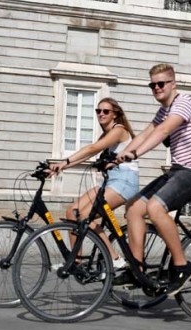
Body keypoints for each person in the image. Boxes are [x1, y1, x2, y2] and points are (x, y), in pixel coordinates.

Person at [116, 63, 191, 296]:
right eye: (152, 85)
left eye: (161, 83)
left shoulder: (183, 103)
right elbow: (145, 133)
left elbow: (162, 132)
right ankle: (137, 269)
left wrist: (135, 154)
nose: (156, 88)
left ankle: (182, 266)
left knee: (154, 208)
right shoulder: (164, 110)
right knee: (133, 207)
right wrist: (117, 158)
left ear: (173, 84)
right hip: (179, 170)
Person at [47, 97, 138, 270]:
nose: (101, 114)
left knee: (85, 217)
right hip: (111, 181)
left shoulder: (119, 130)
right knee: (72, 212)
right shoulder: (106, 134)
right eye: (98, 111)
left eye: (106, 111)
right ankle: (76, 262)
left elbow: (92, 149)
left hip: (125, 181)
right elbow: (89, 155)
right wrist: (61, 167)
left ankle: (115, 258)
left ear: (115, 114)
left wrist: (64, 160)